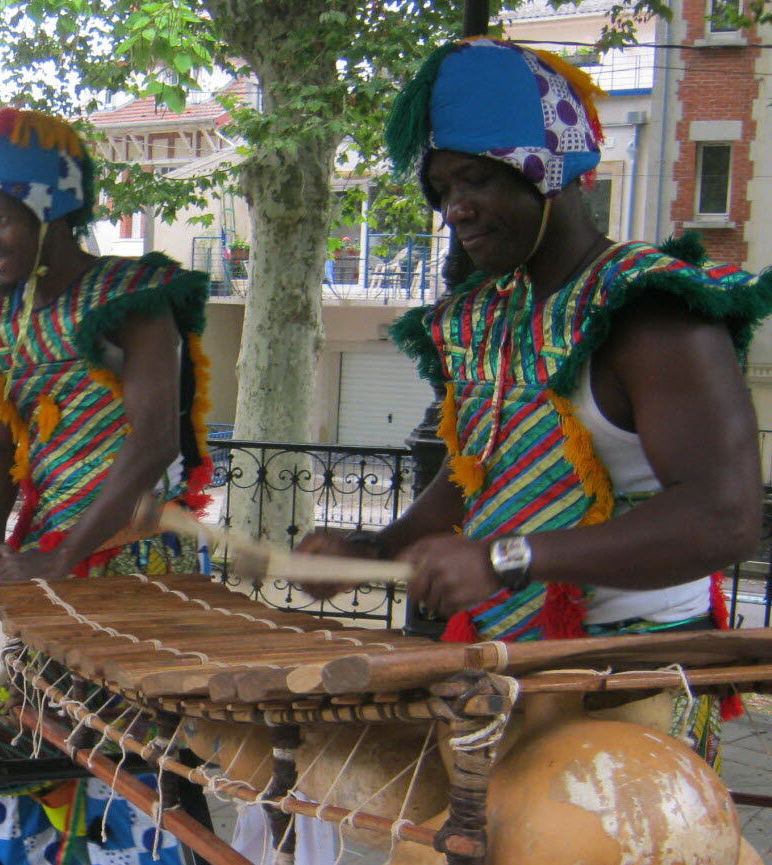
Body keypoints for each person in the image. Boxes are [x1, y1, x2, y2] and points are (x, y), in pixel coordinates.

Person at [301, 37, 771, 763]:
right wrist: (373, 549)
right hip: (502, 666)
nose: (455, 209)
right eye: (441, 190)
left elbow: (726, 515)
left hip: (629, 676)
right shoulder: (488, 313)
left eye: (475, 180)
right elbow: (478, 473)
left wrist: (506, 557)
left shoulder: (651, 311)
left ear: (544, 169)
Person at [0, 107, 213, 865]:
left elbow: (154, 439)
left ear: (49, 208)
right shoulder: (2, 320)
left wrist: (66, 555)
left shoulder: (131, 294)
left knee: (144, 770)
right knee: (46, 760)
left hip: (130, 561)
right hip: (44, 568)